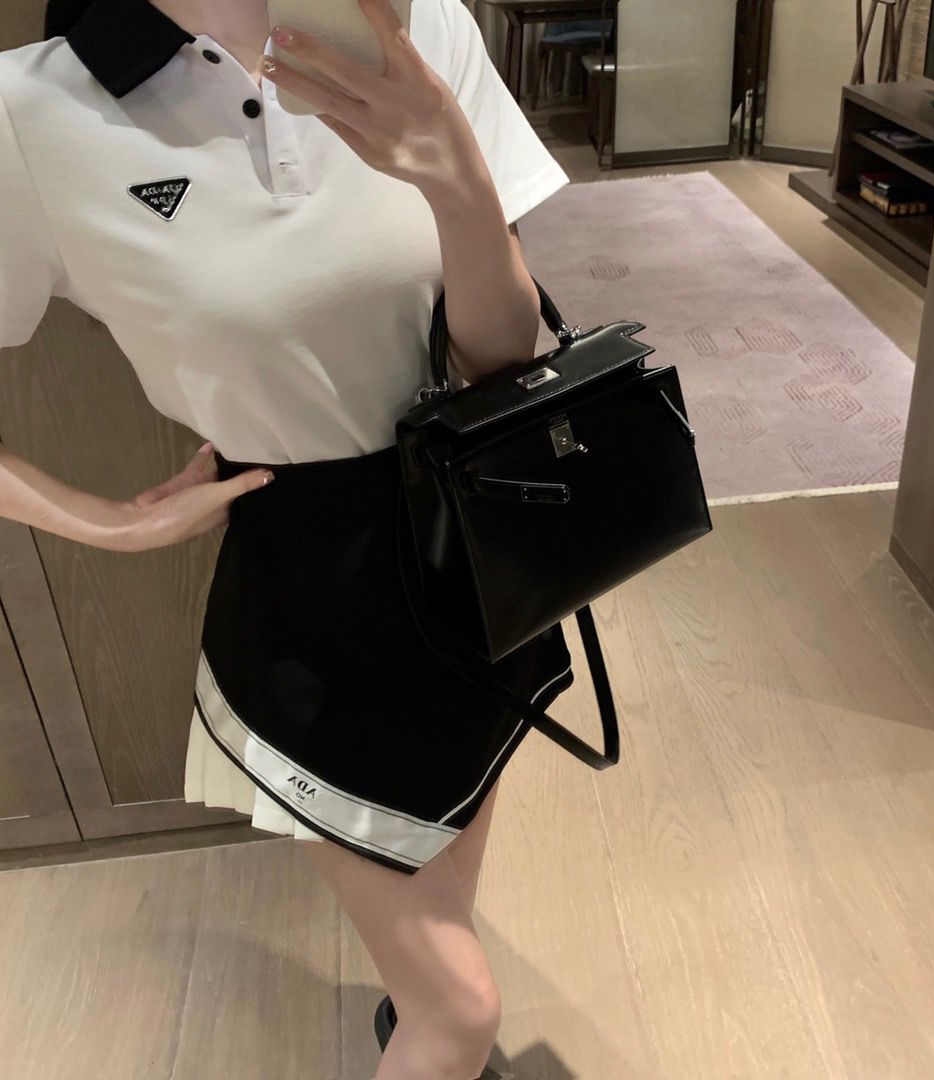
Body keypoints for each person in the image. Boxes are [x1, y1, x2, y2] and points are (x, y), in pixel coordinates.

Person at [0, 1, 576, 1077]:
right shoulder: (33, 112)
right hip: (309, 593)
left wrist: (456, 177)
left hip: (476, 546)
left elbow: (502, 357)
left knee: (443, 888)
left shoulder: (417, 21)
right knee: (461, 1012)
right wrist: (104, 524)